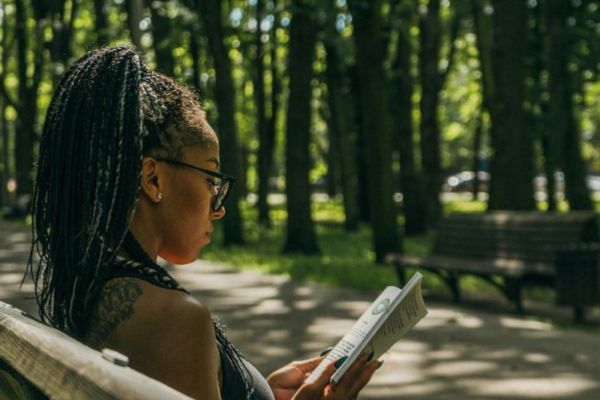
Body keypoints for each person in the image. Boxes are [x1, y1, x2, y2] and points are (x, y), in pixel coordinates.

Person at [26, 45, 379, 400]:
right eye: (210, 179)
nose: (218, 208)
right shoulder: (174, 319)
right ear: (153, 180)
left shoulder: (85, 292)